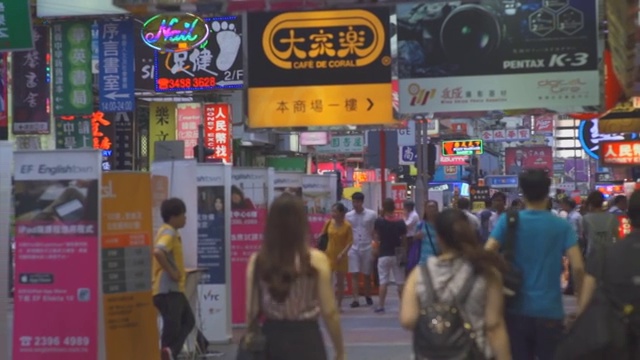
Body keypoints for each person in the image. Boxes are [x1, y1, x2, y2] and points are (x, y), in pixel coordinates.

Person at [485, 169, 585, 359]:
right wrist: (579, 303)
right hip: (550, 311)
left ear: (522, 192)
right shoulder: (561, 225)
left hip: (515, 308)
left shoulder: (509, 221)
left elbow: (486, 253)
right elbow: (578, 266)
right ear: (548, 193)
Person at [400, 209, 511, 360]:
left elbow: (408, 319)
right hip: (474, 353)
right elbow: (494, 326)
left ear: (439, 238)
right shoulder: (486, 271)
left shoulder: (419, 274)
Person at [245, 194, 345, 360]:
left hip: (271, 338)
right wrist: (340, 351)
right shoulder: (316, 259)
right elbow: (330, 312)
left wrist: (250, 335)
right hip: (307, 339)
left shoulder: (258, 261)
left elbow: (252, 310)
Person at [576, 189, 640, 358]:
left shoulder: (604, 255)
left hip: (618, 339)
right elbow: (614, 235)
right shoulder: (612, 219)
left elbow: (584, 306)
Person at [152, 198, 195, 360]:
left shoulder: (169, 231)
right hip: (167, 290)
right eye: (183, 215)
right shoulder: (169, 232)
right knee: (172, 329)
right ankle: (167, 353)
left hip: (174, 290)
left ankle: (170, 352)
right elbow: (158, 251)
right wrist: (171, 271)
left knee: (188, 321)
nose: (185, 218)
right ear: (173, 216)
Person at [373, 198, 407, 313]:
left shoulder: (379, 221)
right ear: (394, 207)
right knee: (400, 281)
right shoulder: (400, 222)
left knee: (383, 281)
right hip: (397, 254)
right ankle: (403, 305)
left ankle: (381, 305)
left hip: (383, 253)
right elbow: (404, 239)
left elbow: (376, 237)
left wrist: (376, 249)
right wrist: (404, 252)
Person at [345, 192, 377, 308]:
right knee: (354, 273)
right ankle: (355, 299)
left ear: (362, 202)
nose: (355, 204)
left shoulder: (371, 214)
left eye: (358, 202)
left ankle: (368, 295)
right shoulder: (348, 216)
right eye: (354, 202)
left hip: (367, 245)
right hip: (353, 247)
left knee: (367, 273)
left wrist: (376, 245)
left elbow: (374, 231)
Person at [324, 203, 353, 310]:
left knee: (340, 282)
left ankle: (339, 304)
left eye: (335, 212)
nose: (333, 214)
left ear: (341, 213)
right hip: (329, 254)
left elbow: (350, 242)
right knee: (328, 281)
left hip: (341, 256)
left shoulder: (347, 226)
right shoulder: (328, 223)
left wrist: (343, 253)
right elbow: (323, 237)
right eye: (332, 211)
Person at [582, 190, 619, 262]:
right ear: (602, 202)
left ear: (590, 203)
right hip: (609, 254)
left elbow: (585, 236)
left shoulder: (586, 218)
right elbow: (616, 236)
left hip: (592, 254)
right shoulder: (612, 217)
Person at [403, 200, 422, 274]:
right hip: (408, 237)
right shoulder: (409, 214)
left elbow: (406, 225)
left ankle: (409, 272)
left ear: (408, 207)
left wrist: (404, 217)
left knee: (410, 255)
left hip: (411, 238)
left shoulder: (414, 215)